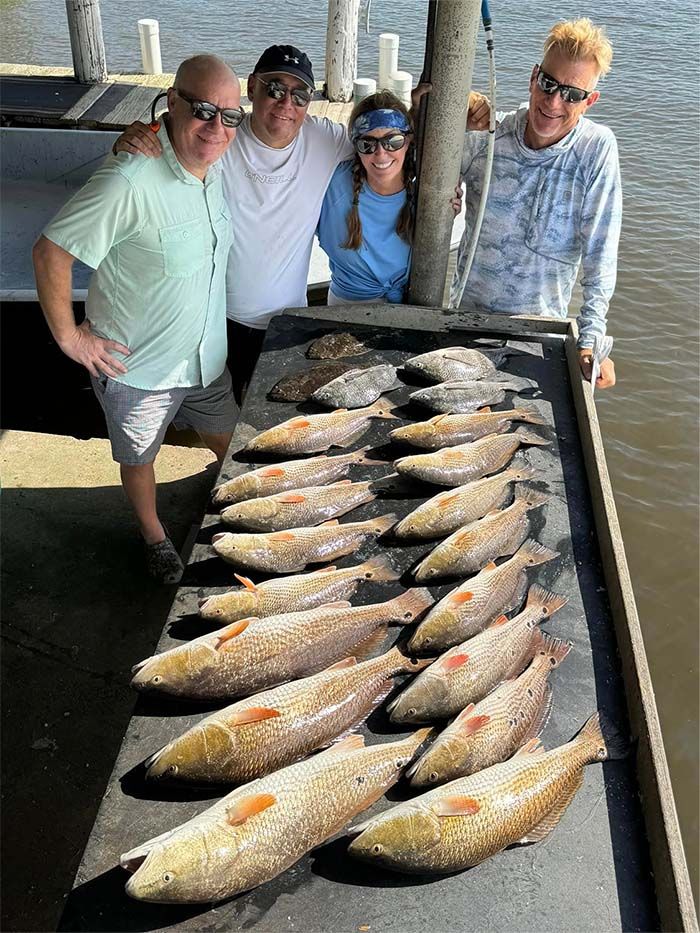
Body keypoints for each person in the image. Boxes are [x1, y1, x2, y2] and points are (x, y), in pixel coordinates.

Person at [32, 54, 242, 583]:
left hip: (205, 357)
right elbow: (50, 252)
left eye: (229, 115)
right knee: (139, 457)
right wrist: (70, 338)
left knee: (233, 441)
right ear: (170, 103)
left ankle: (242, 509)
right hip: (138, 368)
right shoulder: (128, 178)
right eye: (201, 110)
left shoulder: (213, 168)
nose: (216, 127)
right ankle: (153, 534)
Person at [114, 45, 354, 404]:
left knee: (272, 415)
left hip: (286, 322)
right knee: (215, 413)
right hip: (213, 318)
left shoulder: (326, 139)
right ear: (252, 86)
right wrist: (125, 141)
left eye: (300, 94)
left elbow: (386, 149)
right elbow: (162, 138)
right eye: (274, 88)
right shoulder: (218, 135)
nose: (287, 102)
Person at [454, 18, 621, 389]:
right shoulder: (486, 137)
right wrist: (446, 113)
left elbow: (600, 257)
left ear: (590, 101)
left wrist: (591, 341)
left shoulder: (596, 151)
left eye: (572, 94)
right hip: (463, 327)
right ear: (533, 77)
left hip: (538, 340)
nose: (553, 101)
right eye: (548, 83)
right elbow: (416, 181)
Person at [317, 90, 416, 305]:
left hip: (406, 307)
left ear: (408, 142)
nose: (381, 153)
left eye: (393, 141)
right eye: (367, 144)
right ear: (355, 147)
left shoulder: (425, 189)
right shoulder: (331, 184)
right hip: (344, 308)